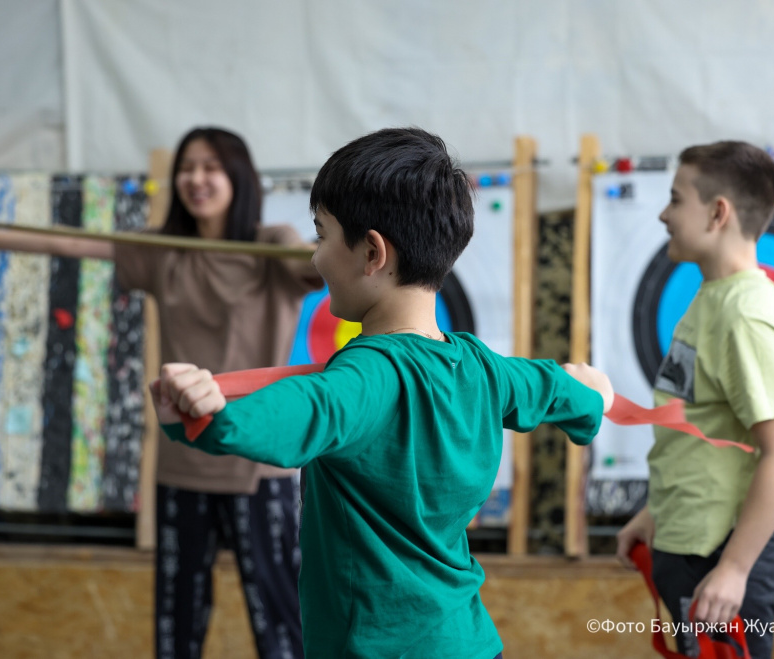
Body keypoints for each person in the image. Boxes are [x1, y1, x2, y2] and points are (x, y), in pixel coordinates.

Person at [149, 127, 614, 659]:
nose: (317, 257)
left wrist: (209, 414)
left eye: (322, 235)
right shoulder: (485, 371)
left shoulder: (366, 377)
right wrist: (593, 397)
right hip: (471, 644)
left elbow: (309, 410)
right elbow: (558, 389)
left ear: (372, 252)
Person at [0, 127, 321, 659]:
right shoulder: (163, 250)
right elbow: (69, 242)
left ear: (238, 177)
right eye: (188, 168)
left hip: (257, 468)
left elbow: (317, 264)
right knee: (177, 627)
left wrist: (357, 233)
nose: (197, 178)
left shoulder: (272, 243)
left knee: (283, 626)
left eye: (211, 167)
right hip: (182, 461)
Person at [615, 141, 774, 658]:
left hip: (720, 558)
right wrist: (660, 510)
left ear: (718, 212)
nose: (663, 213)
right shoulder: (713, 296)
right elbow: (704, 431)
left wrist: (736, 568)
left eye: (676, 199)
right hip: (693, 542)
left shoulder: (746, 315)